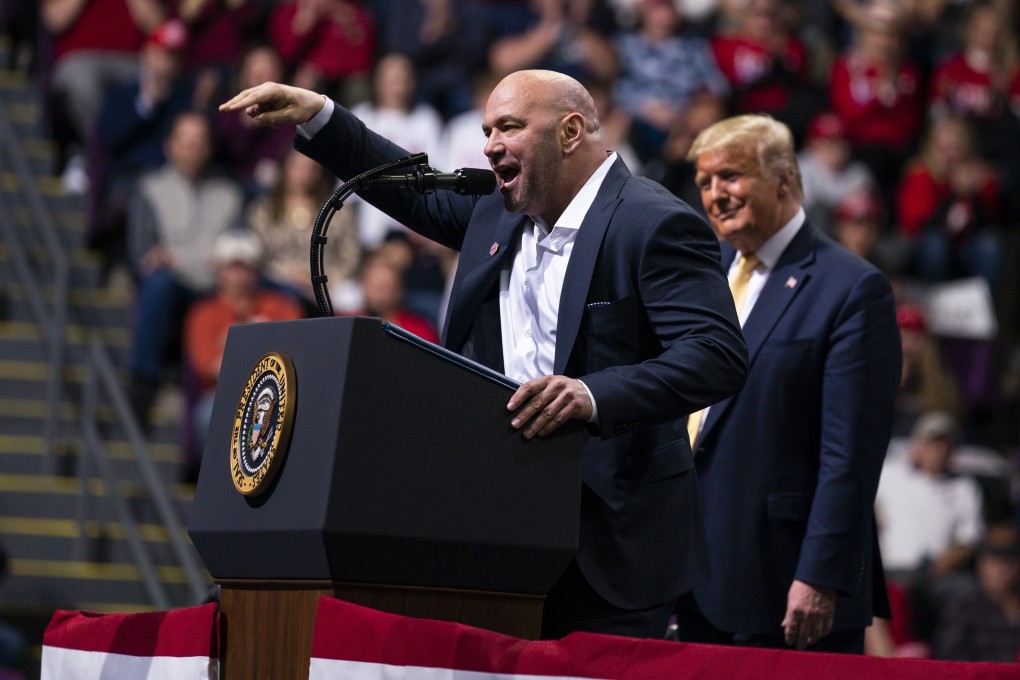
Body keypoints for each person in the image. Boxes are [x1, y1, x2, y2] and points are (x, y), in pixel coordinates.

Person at [220, 69, 749, 639]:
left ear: (570, 132)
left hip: (612, 543)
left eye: (510, 127)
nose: (490, 144)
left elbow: (716, 354)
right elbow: (401, 182)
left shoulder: (655, 221)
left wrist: (593, 394)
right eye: (487, 129)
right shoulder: (495, 213)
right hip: (497, 530)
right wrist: (319, 113)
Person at [676, 114, 901, 654]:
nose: (715, 194)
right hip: (691, 573)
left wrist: (821, 574)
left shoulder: (852, 289)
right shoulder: (708, 274)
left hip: (786, 585)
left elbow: (850, 453)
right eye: (705, 183)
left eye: (730, 176)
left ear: (784, 179)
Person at [127, 111, 244, 430]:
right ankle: (143, 379)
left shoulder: (228, 193)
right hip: (175, 281)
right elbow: (142, 251)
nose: (192, 149)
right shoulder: (149, 188)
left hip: (216, 282)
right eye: (185, 143)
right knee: (157, 282)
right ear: (170, 146)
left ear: (208, 148)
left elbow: (236, 246)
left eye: (199, 143)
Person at [183, 229, 304, 472]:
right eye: (231, 267)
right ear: (218, 269)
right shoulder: (204, 314)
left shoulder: (281, 307)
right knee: (208, 415)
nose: (238, 276)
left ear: (257, 269)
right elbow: (208, 367)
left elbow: (298, 353)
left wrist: (231, 354)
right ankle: (218, 478)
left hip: (276, 396)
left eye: (245, 267)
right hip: (224, 396)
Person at [933, 524, 1020, 662]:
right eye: (994, 561)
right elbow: (948, 660)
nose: (1002, 569)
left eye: (1009, 561)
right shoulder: (963, 610)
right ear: (980, 564)